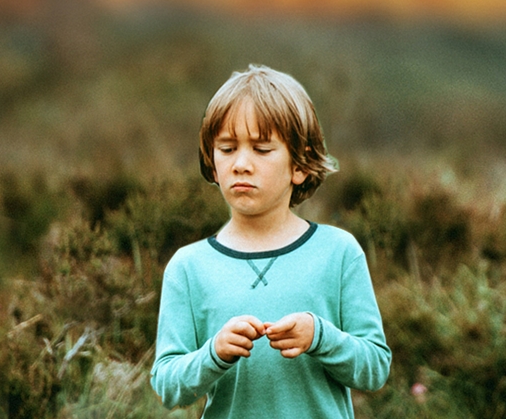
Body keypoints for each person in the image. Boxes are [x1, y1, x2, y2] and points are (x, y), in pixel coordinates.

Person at [151, 65, 390, 417]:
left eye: (262, 149)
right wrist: (213, 353)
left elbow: (375, 369)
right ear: (212, 163)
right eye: (228, 148)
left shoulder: (339, 253)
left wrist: (320, 337)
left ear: (300, 164)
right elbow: (168, 387)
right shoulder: (188, 268)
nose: (241, 164)